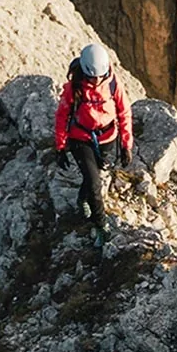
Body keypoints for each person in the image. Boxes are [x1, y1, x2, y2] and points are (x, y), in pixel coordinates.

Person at [53, 42, 132, 244]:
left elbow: (124, 112)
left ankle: (82, 199)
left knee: (94, 175)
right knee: (95, 183)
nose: (96, 80)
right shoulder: (75, 88)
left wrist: (125, 145)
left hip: (107, 137)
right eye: (92, 76)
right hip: (81, 139)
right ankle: (101, 226)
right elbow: (62, 115)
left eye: (100, 76)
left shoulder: (113, 84)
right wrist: (61, 147)